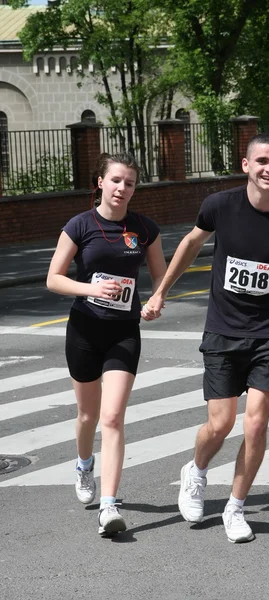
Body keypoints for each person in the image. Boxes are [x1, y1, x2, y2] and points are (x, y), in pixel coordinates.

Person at [142, 133, 269, 543]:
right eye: (262, 160)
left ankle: (236, 506)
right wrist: (160, 291)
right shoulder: (220, 206)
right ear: (246, 165)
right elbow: (192, 243)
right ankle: (195, 473)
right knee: (220, 423)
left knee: (256, 424)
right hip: (223, 328)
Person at [47, 152, 166, 537]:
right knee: (88, 416)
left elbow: (159, 280)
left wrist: (153, 302)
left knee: (113, 417)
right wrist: (91, 288)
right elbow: (53, 278)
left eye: (129, 183)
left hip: (123, 332)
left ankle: (110, 505)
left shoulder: (144, 228)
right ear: (101, 182)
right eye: (116, 180)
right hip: (84, 329)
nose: (122, 188)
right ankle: (84, 464)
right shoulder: (80, 225)